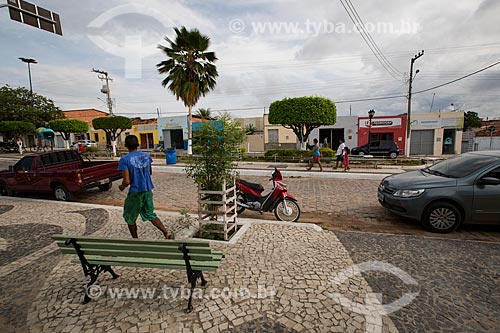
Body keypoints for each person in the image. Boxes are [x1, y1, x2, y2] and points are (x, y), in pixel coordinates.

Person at [118, 135, 172, 239]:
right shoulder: (146, 156)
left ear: (126, 145)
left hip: (135, 192)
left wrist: (121, 186)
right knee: (150, 214)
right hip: (147, 190)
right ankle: (166, 233)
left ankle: (135, 239)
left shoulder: (124, 160)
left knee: (130, 217)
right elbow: (150, 172)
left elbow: (127, 181)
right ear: (137, 144)